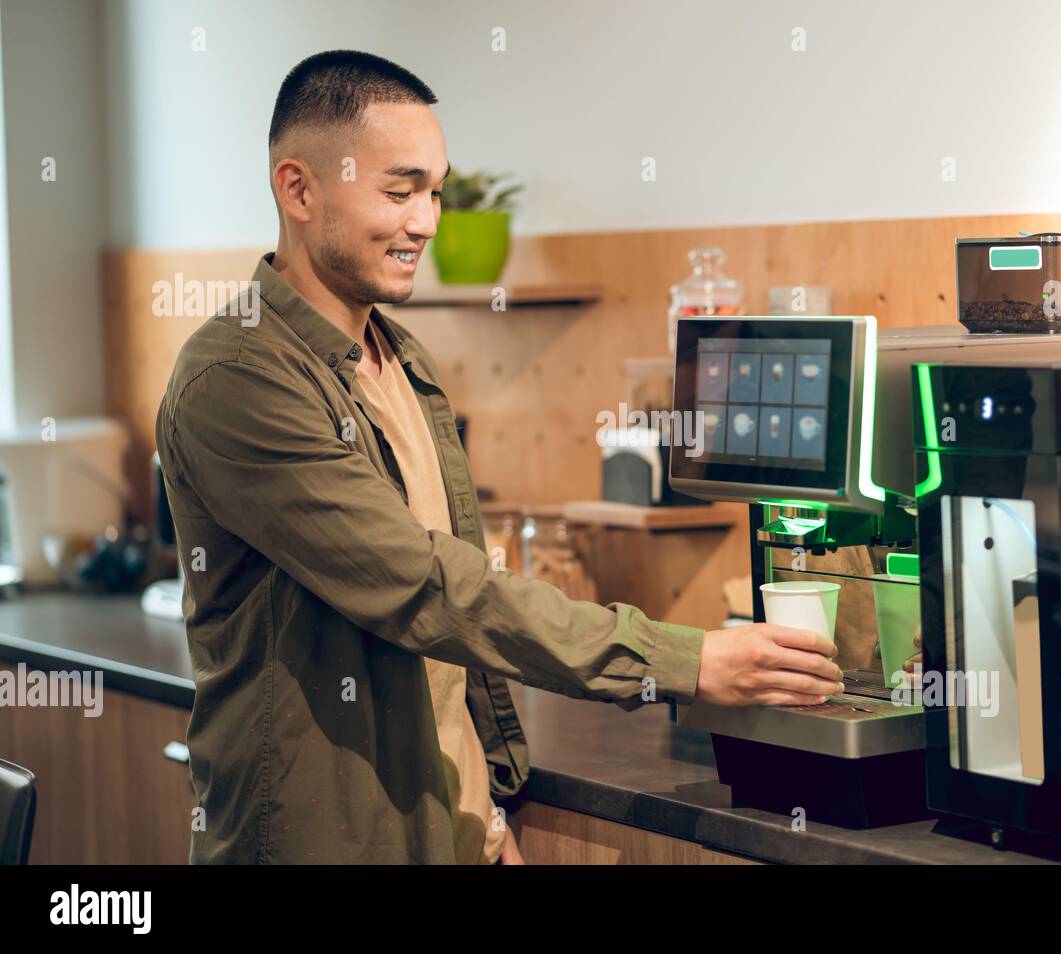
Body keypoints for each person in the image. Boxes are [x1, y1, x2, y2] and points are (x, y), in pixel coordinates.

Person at [155, 50, 844, 865]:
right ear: (297, 188)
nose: (426, 221)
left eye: (436, 191)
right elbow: (425, 586)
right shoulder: (238, 376)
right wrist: (683, 659)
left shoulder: (399, 357)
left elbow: (446, 651)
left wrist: (482, 821)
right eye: (399, 189)